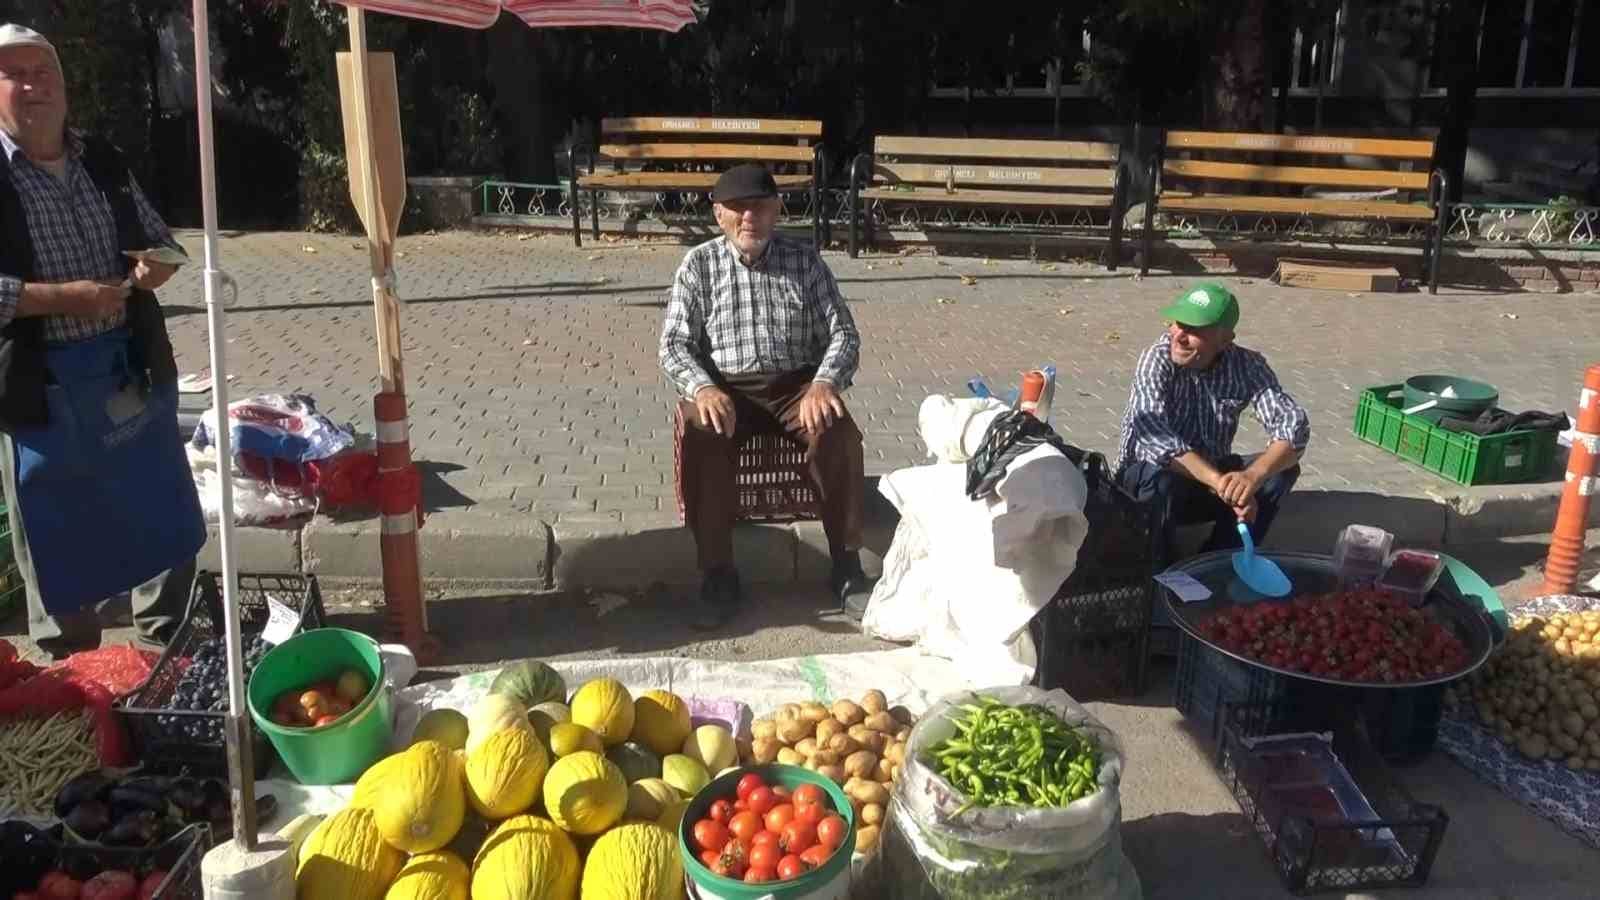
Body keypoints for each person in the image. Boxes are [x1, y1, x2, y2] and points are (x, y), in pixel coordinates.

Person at [0, 24, 203, 659]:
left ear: (64, 87)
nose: (32, 85)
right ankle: (74, 666)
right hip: (38, 381)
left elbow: (159, 239)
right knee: (53, 521)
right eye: (13, 74)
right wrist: (65, 297)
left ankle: (166, 639)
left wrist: (156, 266)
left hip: (123, 361)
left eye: (43, 72)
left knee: (157, 497)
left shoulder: (102, 159)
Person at [661, 164, 870, 629]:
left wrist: (824, 383)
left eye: (759, 207)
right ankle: (718, 572)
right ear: (718, 214)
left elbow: (843, 334)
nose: (748, 218)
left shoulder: (805, 262)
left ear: (777, 211)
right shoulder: (698, 265)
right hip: (726, 388)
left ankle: (846, 565)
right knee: (701, 432)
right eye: (737, 208)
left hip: (796, 385)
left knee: (836, 432)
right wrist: (703, 387)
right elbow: (674, 344)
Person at [1113, 282, 1310, 563]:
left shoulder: (1247, 365)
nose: (1180, 336)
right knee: (1160, 478)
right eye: (1178, 324)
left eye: (1195, 330)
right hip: (1148, 484)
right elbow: (1154, 437)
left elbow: (1293, 425)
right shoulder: (1156, 358)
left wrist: (1251, 478)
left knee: (1281, 469)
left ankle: (1219, 560)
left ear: (1225, 340)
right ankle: (1157, 570)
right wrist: (1221, 484)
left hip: (1206, 480)